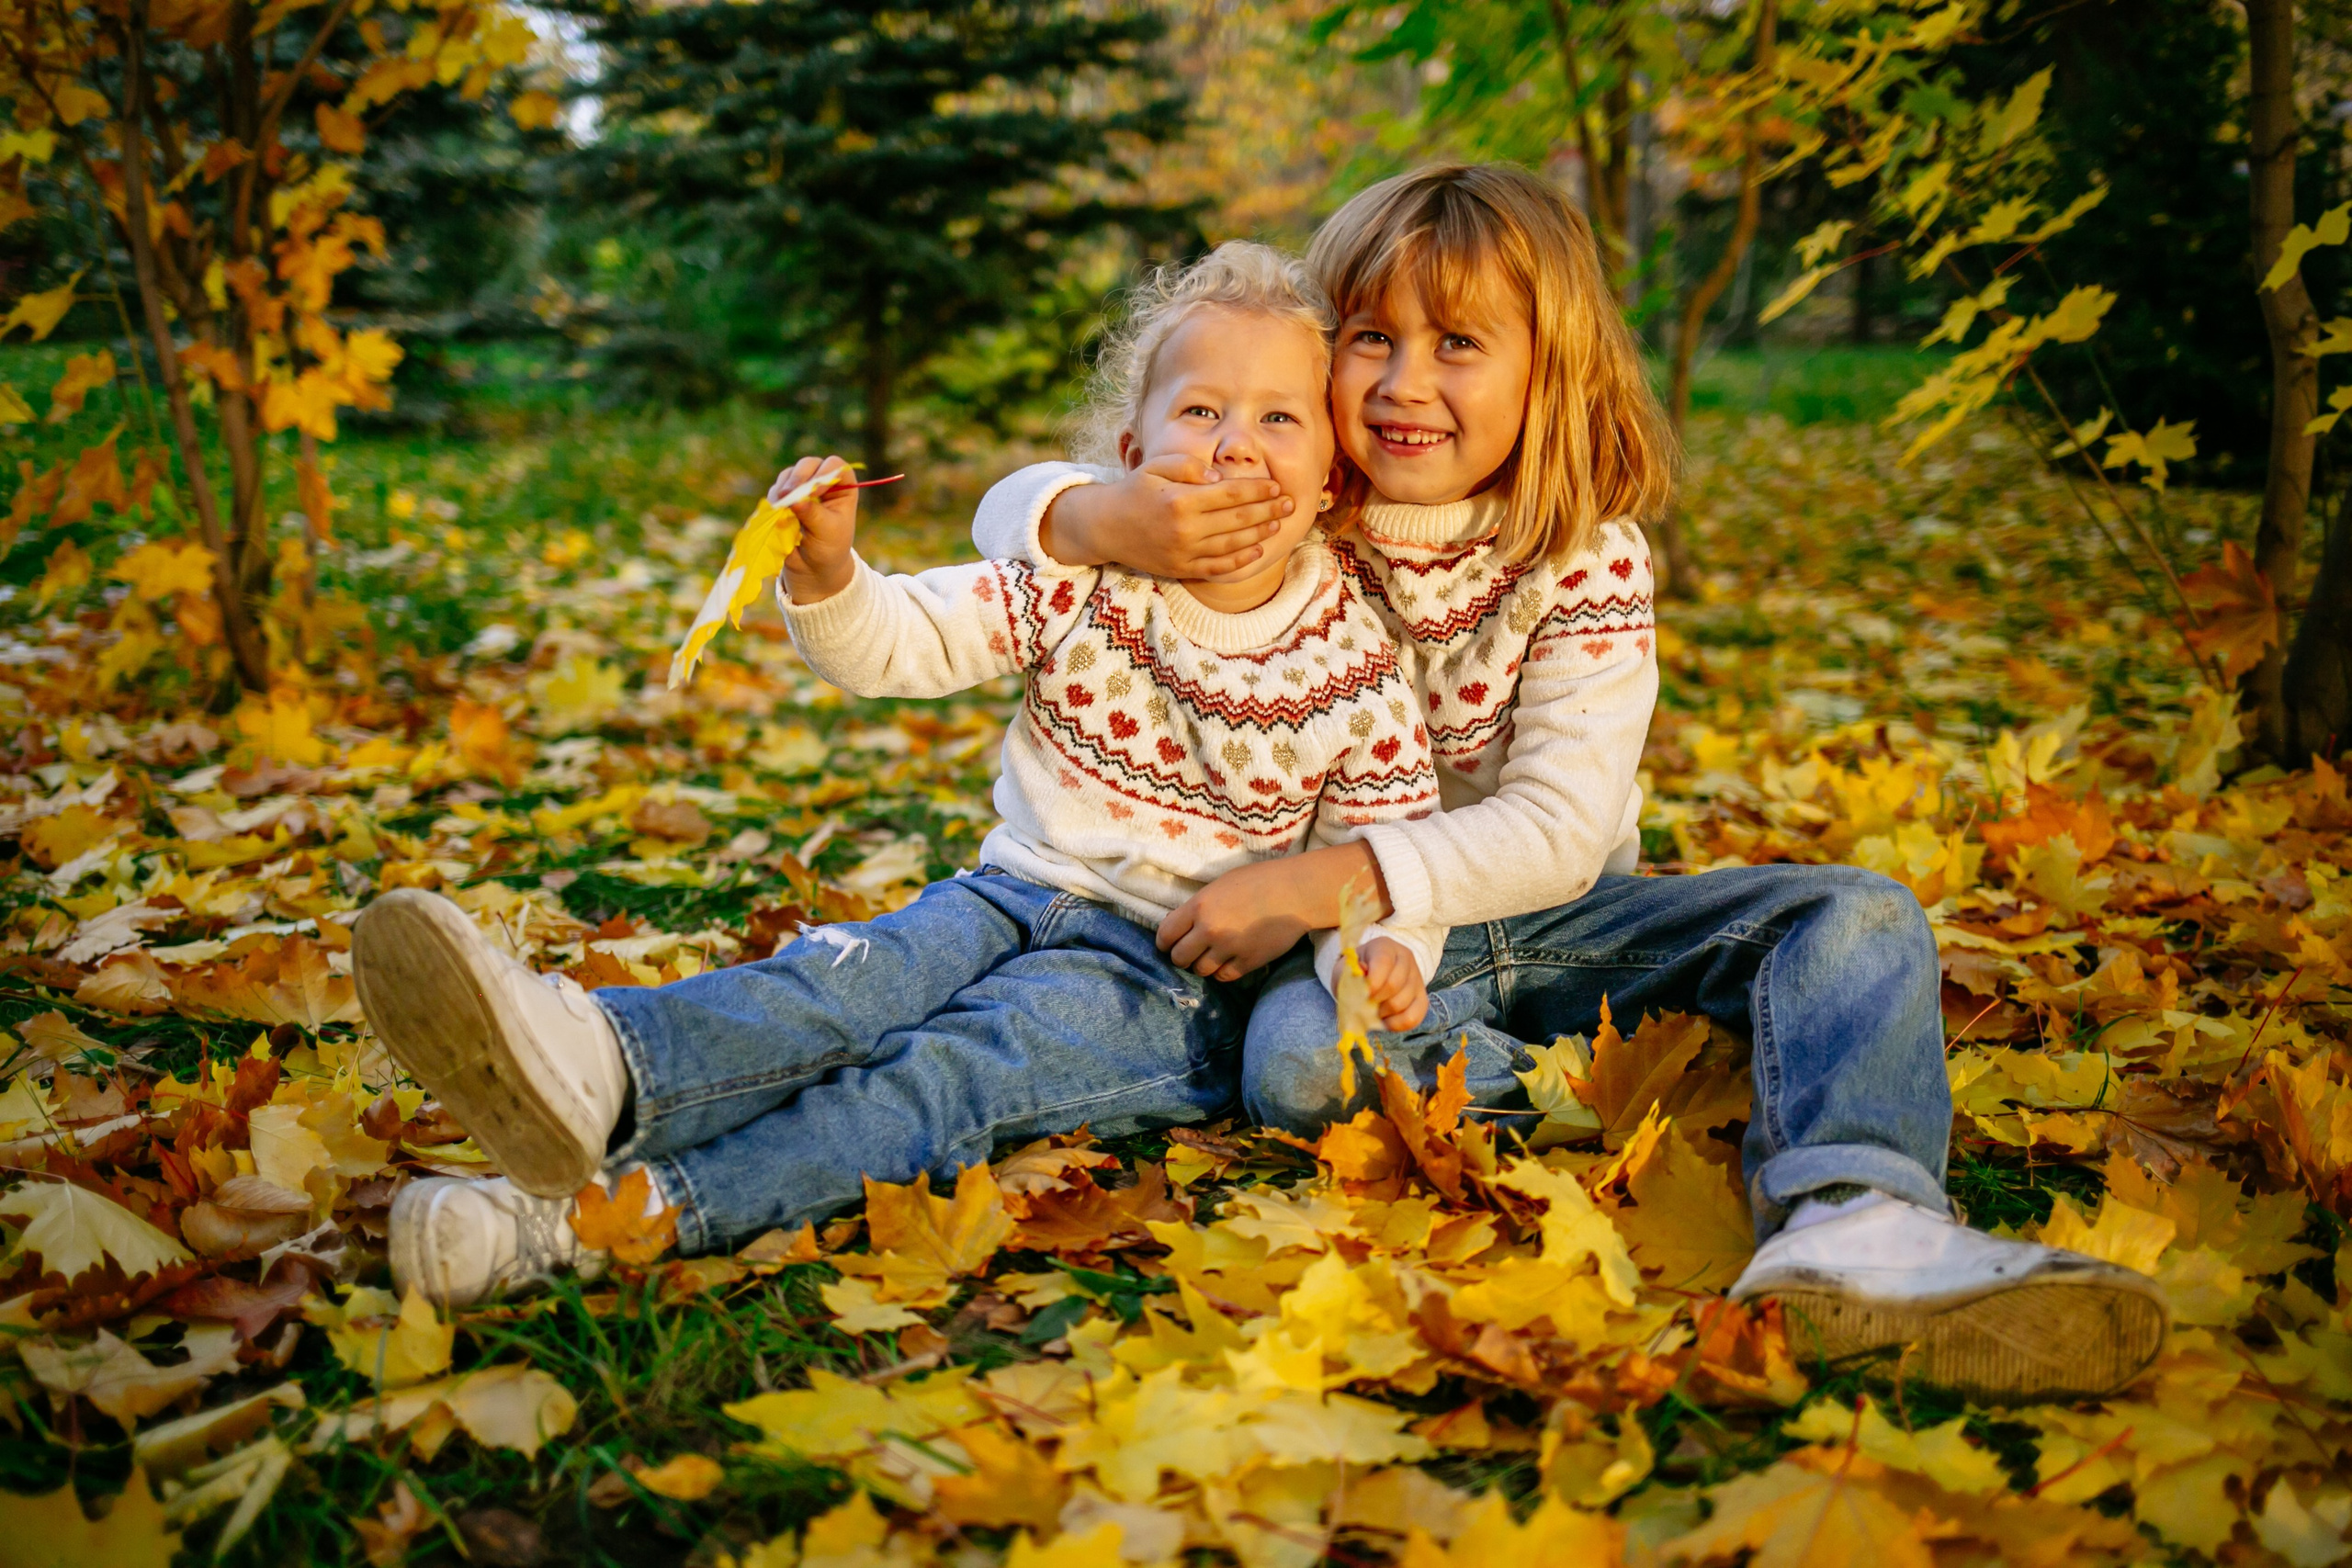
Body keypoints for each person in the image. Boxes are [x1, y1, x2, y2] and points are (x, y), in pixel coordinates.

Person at [966, 164, 2168, 1400]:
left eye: (1460, 342)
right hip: (1364, 958)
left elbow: (1560, 824)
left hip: (1561, 920)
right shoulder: (1289, 503)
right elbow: (1006, 515)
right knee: (1294, 1069)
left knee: (1856, 913)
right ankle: (1646, 1082)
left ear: (1552, 370)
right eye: (1369, 335)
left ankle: (1857, 1217)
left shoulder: (1586, 560)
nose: (1404, 380)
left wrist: (1329, 872)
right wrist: (1108, 518)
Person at [356, 243, 1445, 1306]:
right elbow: (909, 641)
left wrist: (1381, 959)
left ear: (1331, 476)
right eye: (1200, 412)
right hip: (1011, 893)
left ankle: (580, 1222)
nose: (1233, 448)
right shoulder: (1086, 581)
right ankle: (603, 1063)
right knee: (843, 979)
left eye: (1278, 418)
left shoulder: (1352, 659)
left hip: (1166, 972)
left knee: (940, 1082)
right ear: (1130, 446)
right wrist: (832, 571)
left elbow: (1383, 846)